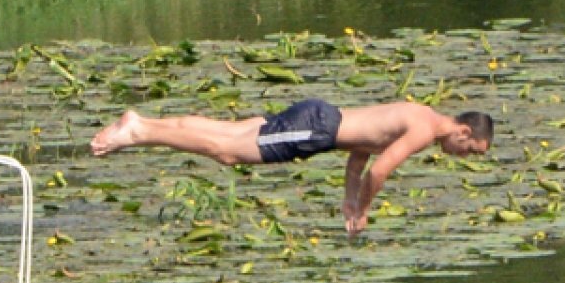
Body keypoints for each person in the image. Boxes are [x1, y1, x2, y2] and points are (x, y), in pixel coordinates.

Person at [90, 98, 494, 237]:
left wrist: (350, 202)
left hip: (320, 121)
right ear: (462, 131)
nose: (465, 158)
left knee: (229, 134)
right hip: (315, 129)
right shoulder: (424, 129)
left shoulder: (418, 114)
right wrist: (367, 207)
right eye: (471, 151)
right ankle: (139, 131)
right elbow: (379, 171)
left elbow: (360, 156)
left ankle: (140, 124)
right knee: (227, 151)